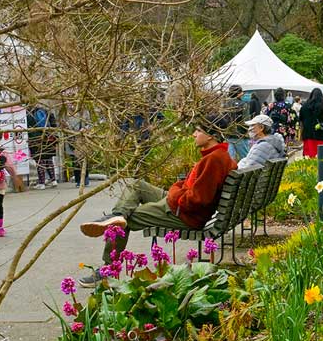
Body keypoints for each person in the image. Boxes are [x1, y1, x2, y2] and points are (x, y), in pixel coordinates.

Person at [79, 118, 237, 284]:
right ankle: (117, 215)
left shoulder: (213, 160)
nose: (194, 134)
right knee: (136, 185)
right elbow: (193, 189)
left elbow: (197, 200)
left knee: (125, 222)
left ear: (210, 136)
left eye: (198, 130)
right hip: (180, 205)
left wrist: (175, 191)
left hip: (183, 214)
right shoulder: (218, 156)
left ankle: (108, 268)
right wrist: (177, 189)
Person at [28, 104, 59, 189]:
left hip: (36, 140)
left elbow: (28, 128)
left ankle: (41, 183)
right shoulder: (47, 111)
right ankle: (53, 180)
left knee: (39, 161)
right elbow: (54, 125)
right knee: (49, 159)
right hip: (49, 138)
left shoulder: (29, 114)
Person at [298, 88, 323, 158]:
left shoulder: (304, 107)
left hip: (308, 135)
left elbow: (301, 121)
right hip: (322, 135)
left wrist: (301, 135)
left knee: (310, 156)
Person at [223, 85, 252, 161]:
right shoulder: (243, 104)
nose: (242, 94)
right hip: (240, 135)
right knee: (245, 159)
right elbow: (246, 120)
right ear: (238, 93)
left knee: (230, 159)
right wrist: (247, 132)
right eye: (241, 92)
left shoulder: (224, 104)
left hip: (228, 134)